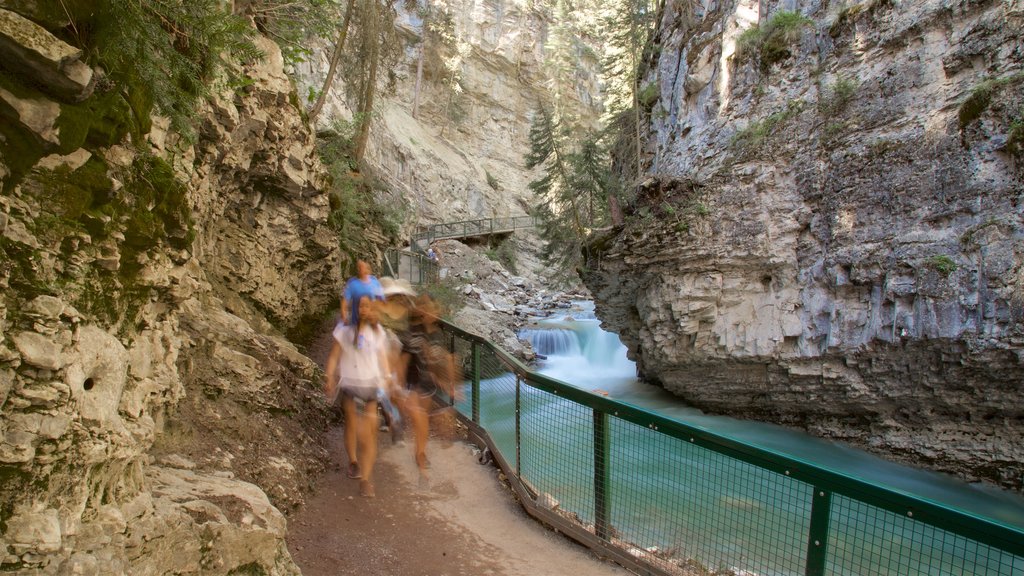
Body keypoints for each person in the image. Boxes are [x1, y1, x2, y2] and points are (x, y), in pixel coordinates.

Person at [324, 296, 393, 497]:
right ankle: (354, 461)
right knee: (353, 426)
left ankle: (366, 480)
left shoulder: (376, 332)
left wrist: (387, 378)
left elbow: (382, 358)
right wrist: (329, 376)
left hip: (371, 385)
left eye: (367, 306)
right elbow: (334, 355)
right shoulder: (344, 330)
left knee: (369, 434)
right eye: (360, 306)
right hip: (350, 385)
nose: (364, 309)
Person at [341, 259, 384, 326]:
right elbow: (345, 300)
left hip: (372, 322)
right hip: (356, 322)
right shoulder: (352, 283)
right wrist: (344, 315)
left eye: (361, 267)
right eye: (358, 267)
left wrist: (377, 314)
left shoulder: (375, 281)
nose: (358, 269)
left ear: (368, 269)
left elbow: (380, 300)